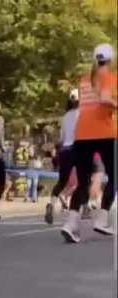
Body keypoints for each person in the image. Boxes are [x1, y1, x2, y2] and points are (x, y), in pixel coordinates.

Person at [61, 43, 117, 242]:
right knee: (115, 175)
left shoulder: (85, 80)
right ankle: (101, 219)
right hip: (104, 133)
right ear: (111, 60)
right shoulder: (109, 77)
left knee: (83, 181)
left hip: (82, 134)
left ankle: (71, 223)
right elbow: (104, 99)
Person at [45, 90, 80, 224]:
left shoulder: (65, 117)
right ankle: (81, 208)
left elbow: (62, 138)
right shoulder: (82, 114)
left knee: (61, 182)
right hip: (76, 149)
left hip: (64, 150)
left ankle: (52, 205)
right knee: (85, 179)